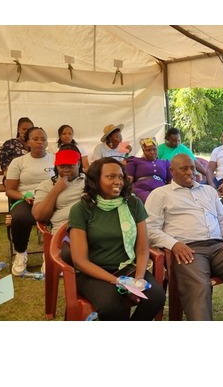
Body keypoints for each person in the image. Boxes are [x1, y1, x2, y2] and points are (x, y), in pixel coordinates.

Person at [145, 154, 223, 321]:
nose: (190, 172)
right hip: (188, 250)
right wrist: (174, 244)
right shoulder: (160, 194)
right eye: (184, 168)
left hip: (218, 247)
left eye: (192, 168)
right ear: (172, 171)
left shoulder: (209, 191)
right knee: (199, 283)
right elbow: (150, 228)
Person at [67, 157, 165, 321]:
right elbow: (80, 261)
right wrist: (118, 281)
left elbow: (142, 249)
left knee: (156, 297)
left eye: (120, 177)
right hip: (94, 273)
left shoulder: (133, 203)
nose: (118, 182)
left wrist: (138, 279)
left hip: (128, 268)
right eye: (110, 176)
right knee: (112, 306)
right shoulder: (81, 209)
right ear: (95, 180)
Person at [5, 126, 55, 276]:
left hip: (50, 199)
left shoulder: (55, 159)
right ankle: (21, 253)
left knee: (62, 216)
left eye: (43, 139)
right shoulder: (18, 162)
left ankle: (50, 255)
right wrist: (24, 196)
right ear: (27, 142)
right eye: (35, 139)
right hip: (26, 200)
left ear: (47, 142)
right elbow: (10, 190)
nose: (40, 142)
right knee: (20, 217)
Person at [32, 144, 85, 270]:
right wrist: (56, 190)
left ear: (78, 163)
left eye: (70, 166)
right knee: (71, 254)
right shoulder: (47, 185)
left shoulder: (90, 182)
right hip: (64, 232)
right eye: (62, 166)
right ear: (56, 166)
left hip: (90, 228)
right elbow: (39, 215)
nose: (66, 170)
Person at [124, 137, 172, 203]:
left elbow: (171, 181)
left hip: (161, 189)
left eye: (154, 149)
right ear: (143, 151)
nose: (152, 152)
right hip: (140, 189)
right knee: (149, 200)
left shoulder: (165, 163)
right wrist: (125, 192)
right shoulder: (135, 161)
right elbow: (128, 179)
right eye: (148, 150)